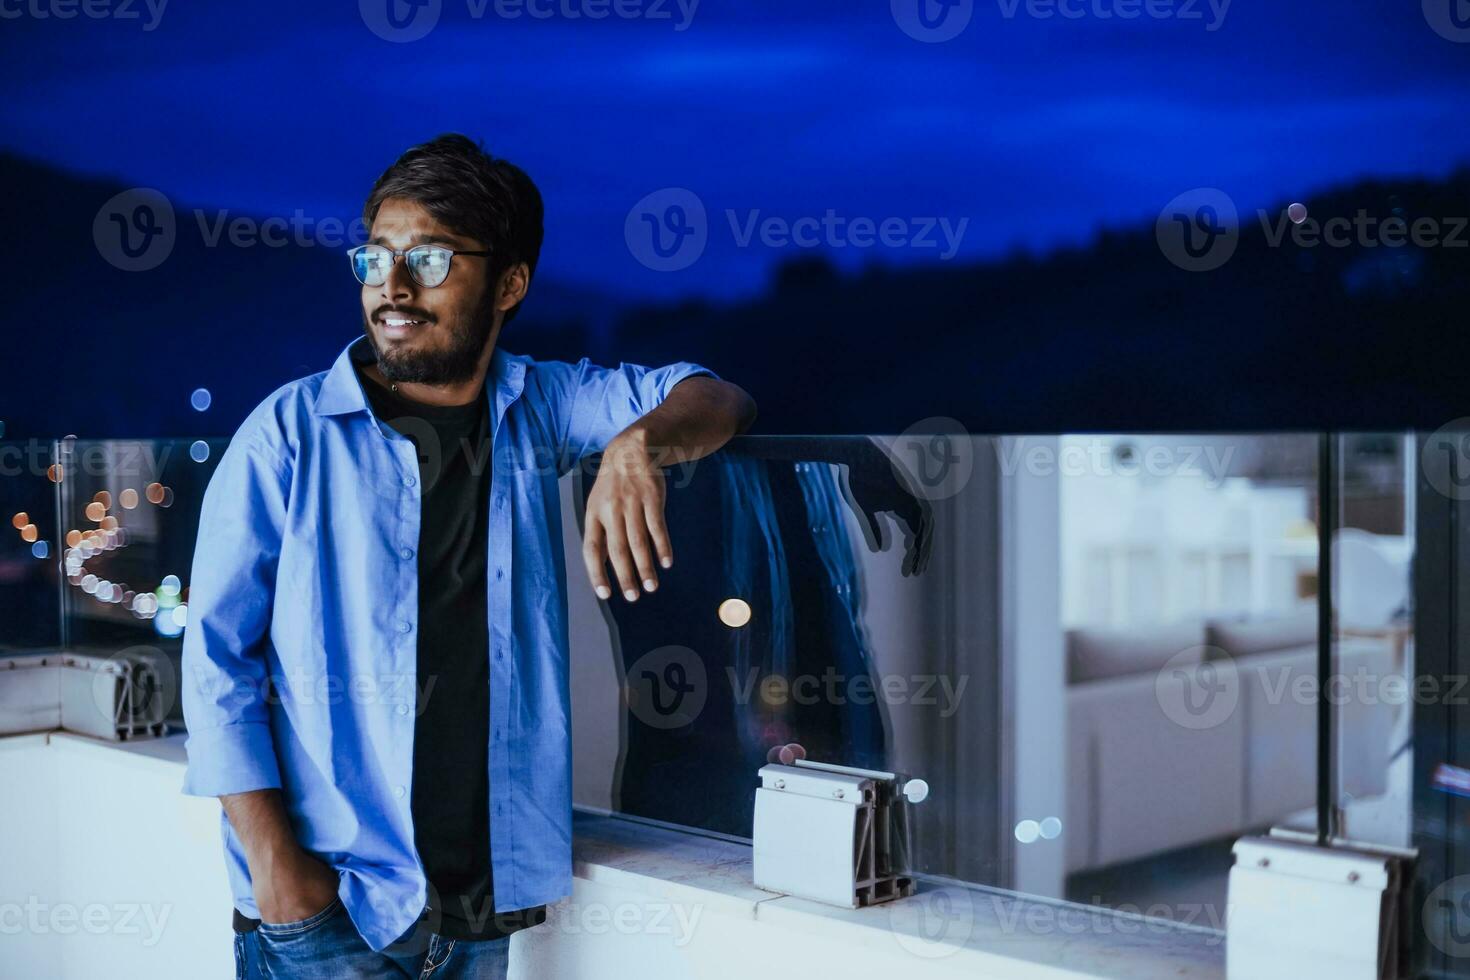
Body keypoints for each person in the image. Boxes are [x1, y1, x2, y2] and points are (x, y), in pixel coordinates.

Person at [180, 133, 756, 979]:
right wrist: (281, 878)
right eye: (375, 260)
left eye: (429, 259)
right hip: (328, 912)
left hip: (482, 912)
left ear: (510, 283)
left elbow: (719, 397)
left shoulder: (543, 406)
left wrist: (638, 444)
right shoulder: (287, 436)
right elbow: (216, 660)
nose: (393, 288)